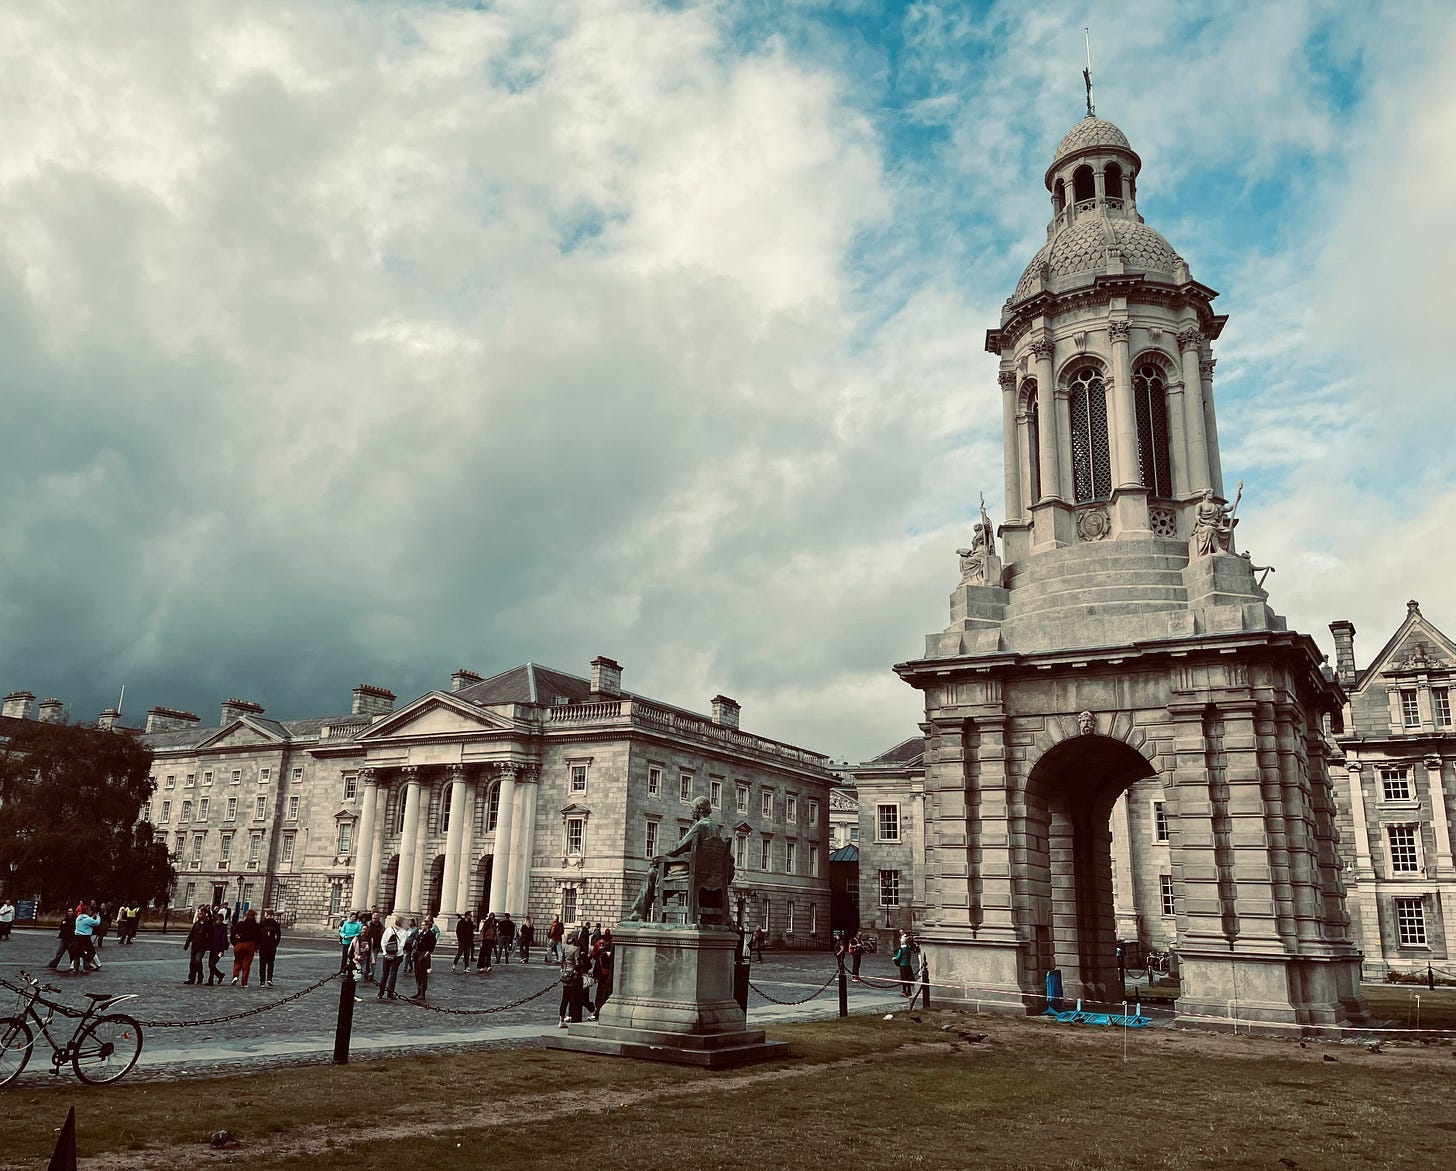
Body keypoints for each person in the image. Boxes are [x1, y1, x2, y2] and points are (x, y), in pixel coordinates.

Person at [626, 796, 725, 921]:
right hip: (710, 875)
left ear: (700, 810)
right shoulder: (715, 828)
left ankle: (639, 912)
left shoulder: (700, 826)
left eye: (693, 808)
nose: (691, 811)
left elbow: (680, 847)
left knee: (653, 873)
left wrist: (662, 857)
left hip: (693, 874)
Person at [557, 938, 585, 1028]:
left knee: (564, 998)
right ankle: (572, 1017)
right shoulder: (576, 948)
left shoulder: (565, 947)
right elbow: (577, 962)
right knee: (573, 998)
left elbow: (562, 959)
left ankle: (561, 1020)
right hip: (573, 975)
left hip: (566, 973)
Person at [378, 916, 407, 999]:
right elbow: (402, 945)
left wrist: (385, 953)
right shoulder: (404, 932)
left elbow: (383, 942)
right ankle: (390, 994)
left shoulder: (389, 929)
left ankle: (380, 993)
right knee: (393, 974)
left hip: (387, 954)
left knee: (385, 974)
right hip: (397, 956)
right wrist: (395, 953)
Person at [230, 909, 260, 987]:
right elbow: (258, 937)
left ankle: (235, 975)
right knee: (246, 964)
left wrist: (234, 943)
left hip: (239, 944)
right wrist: (256, 947)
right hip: (249, 944)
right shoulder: (256, 926)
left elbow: (232, 932)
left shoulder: (240, 924)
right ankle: (244, 983)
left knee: (237, 961)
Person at [410, 915, 437, 1001]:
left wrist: (426, 955)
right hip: (418, 954)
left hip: (424, 954)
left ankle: (423, 992)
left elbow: (431, 947)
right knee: (417, 973)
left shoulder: (430, 934)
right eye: (421, 925)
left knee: (423, 974)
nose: (422, 927)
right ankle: (418, 990)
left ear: (427, 925)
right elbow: (416, 942)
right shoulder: (421, 934)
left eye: (423, 925)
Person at [183, 908, 211, 984]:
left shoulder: (208, 924)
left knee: (197, 960)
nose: (199, 915)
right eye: (199, 914)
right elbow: (191, 934)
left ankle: (200, 975)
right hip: (195, 945)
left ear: (205, 915)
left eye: (201, 914)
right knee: (192, 962)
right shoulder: (196, 924)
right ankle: (191, 978)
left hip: (202, 946)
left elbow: (211, 936)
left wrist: (209, 946)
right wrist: (187, 944)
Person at [71, 903, 102, 973]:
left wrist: (92, 918)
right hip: (85, 938)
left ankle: (76, 968)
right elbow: (96, 923)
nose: (91, 912)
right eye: (90, 911)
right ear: (87, 911)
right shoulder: (88, 919)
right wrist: (98, 917)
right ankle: (86, 964)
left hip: (77, 937)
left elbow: (88, 920)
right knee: (91, 952)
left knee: (77, 953)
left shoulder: (78, 918)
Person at [589, 936, 614, 1017]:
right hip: (605, 976)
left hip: (604, 976)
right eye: (600, 943)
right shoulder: (606, 951)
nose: (601, 944)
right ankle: (599, 1010)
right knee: (603, 994)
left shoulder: (604, 951)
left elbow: (598, 965)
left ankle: (599, 1011)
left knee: (602, 994)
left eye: (603, 943)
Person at [47, 906, 77, 970]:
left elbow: (70, 927)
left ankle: (73, 965)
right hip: (64, 938)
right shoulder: (65, 919)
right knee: (59, 952)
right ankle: (53, 964)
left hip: (71, 939)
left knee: (71, 953)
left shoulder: (75, 920)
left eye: (71, 911)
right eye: (69, 911)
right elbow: (61, 927)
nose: (70, 912)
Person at [257, 909, 282, 987]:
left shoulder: (262, 923)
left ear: (266, 914)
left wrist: (258, 945)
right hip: (272, 945)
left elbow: (258, 936)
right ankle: (269, 978)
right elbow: (278, 936)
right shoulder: (276, 924)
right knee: (271, 963)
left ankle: (262, 981)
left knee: (262, 964)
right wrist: (275, 944)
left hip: (263, 945)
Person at [208, 910, 230, 985]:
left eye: (220, 920)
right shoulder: (213, 926)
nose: (218, 921)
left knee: (212, 964)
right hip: (213, 947)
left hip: (219, 949)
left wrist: (222, 950)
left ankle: (219, 975)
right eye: (217, 920)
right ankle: (212, 979)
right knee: (210, 964)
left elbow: (224, 938)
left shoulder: (223, 927)